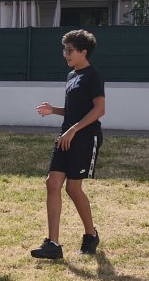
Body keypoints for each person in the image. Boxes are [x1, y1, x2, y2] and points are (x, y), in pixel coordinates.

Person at [30, 29, 106, 260]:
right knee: (52, 183)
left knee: (73, 188)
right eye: (65, 49)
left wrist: (74, 130)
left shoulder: (93, 76)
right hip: (66, 137)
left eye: (70, 50)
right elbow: (74, 110)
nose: (65, 54)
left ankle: (90, 234)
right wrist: (54, 110)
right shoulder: (72, 76)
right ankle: (53, 243)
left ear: (84, 52)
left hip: (84, 138)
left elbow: (99, 110)